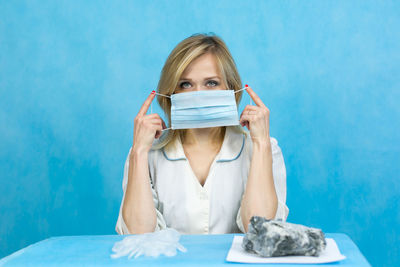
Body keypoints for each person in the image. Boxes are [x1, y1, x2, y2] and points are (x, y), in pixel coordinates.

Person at [115, 33, 289, 235]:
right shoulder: (146, 153)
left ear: (231, 89)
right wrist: (138, 151)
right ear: (171, 93)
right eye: (185, 84)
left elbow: (260, 231)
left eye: (211, 83)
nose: (198, 94)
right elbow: (138, 235)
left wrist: (261, 144)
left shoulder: (263, 149)